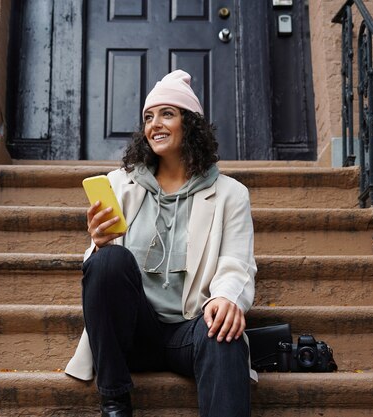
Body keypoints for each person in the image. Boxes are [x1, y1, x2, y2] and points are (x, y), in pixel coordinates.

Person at [65, 70, 257, 417]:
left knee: (223, 331)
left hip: (191, 330)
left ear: (191, 124)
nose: (155, 124)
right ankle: (115, 403)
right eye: (148, 117)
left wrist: (228, 298)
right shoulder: (120, 185)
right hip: (134, 331)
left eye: (167, 113)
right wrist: (98, 244)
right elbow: (102, 279)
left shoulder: (231, 194)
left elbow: (236, 261)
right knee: (108, 261)